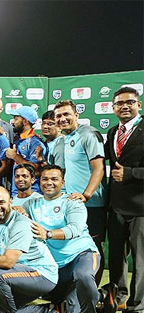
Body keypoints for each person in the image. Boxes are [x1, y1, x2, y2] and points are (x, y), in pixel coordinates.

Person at [20, 165, 101, 313]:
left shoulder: (72, 202)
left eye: (54, 179)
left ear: (62, 183)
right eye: (45, 179)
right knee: (62, 306)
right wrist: (16, 211)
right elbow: (14, 215)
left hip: (82, 255)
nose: (49, 183)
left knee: (84, 276)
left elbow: (75, 229)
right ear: (39, 182)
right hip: (56, 267)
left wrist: (47, 234)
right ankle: (100, 295)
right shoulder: (32, 204)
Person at [102, 86, 143, 313]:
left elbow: (124, 171)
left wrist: (130, 174)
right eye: (119, 103)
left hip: (141, 207)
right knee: (117, 258)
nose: (124, 106)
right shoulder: (112, 132)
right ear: (114, 108)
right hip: (116, 206)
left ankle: (135, 310)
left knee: (140, 262)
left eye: (129, 102)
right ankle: (118, 297)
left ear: (139, 104)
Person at [54, 100, 106, 281]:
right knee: (72, 244)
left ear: (76, 115)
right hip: (71, 203)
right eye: (58, 116)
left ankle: (94, 290)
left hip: (91, 203)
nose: (62, 119)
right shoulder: (65, 139)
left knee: (93, 246)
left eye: (66, 114)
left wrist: (86, 195)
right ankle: (74, 290)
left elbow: (99, 168)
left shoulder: (89, 134)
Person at [5, 106, 47, 195]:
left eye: (16, 118)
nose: (13, 122)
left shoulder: (35, 143)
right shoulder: (18, 140)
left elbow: (36, 170)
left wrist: (14, 156)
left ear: (25, 121)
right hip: (16, 193)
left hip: (31, 194)